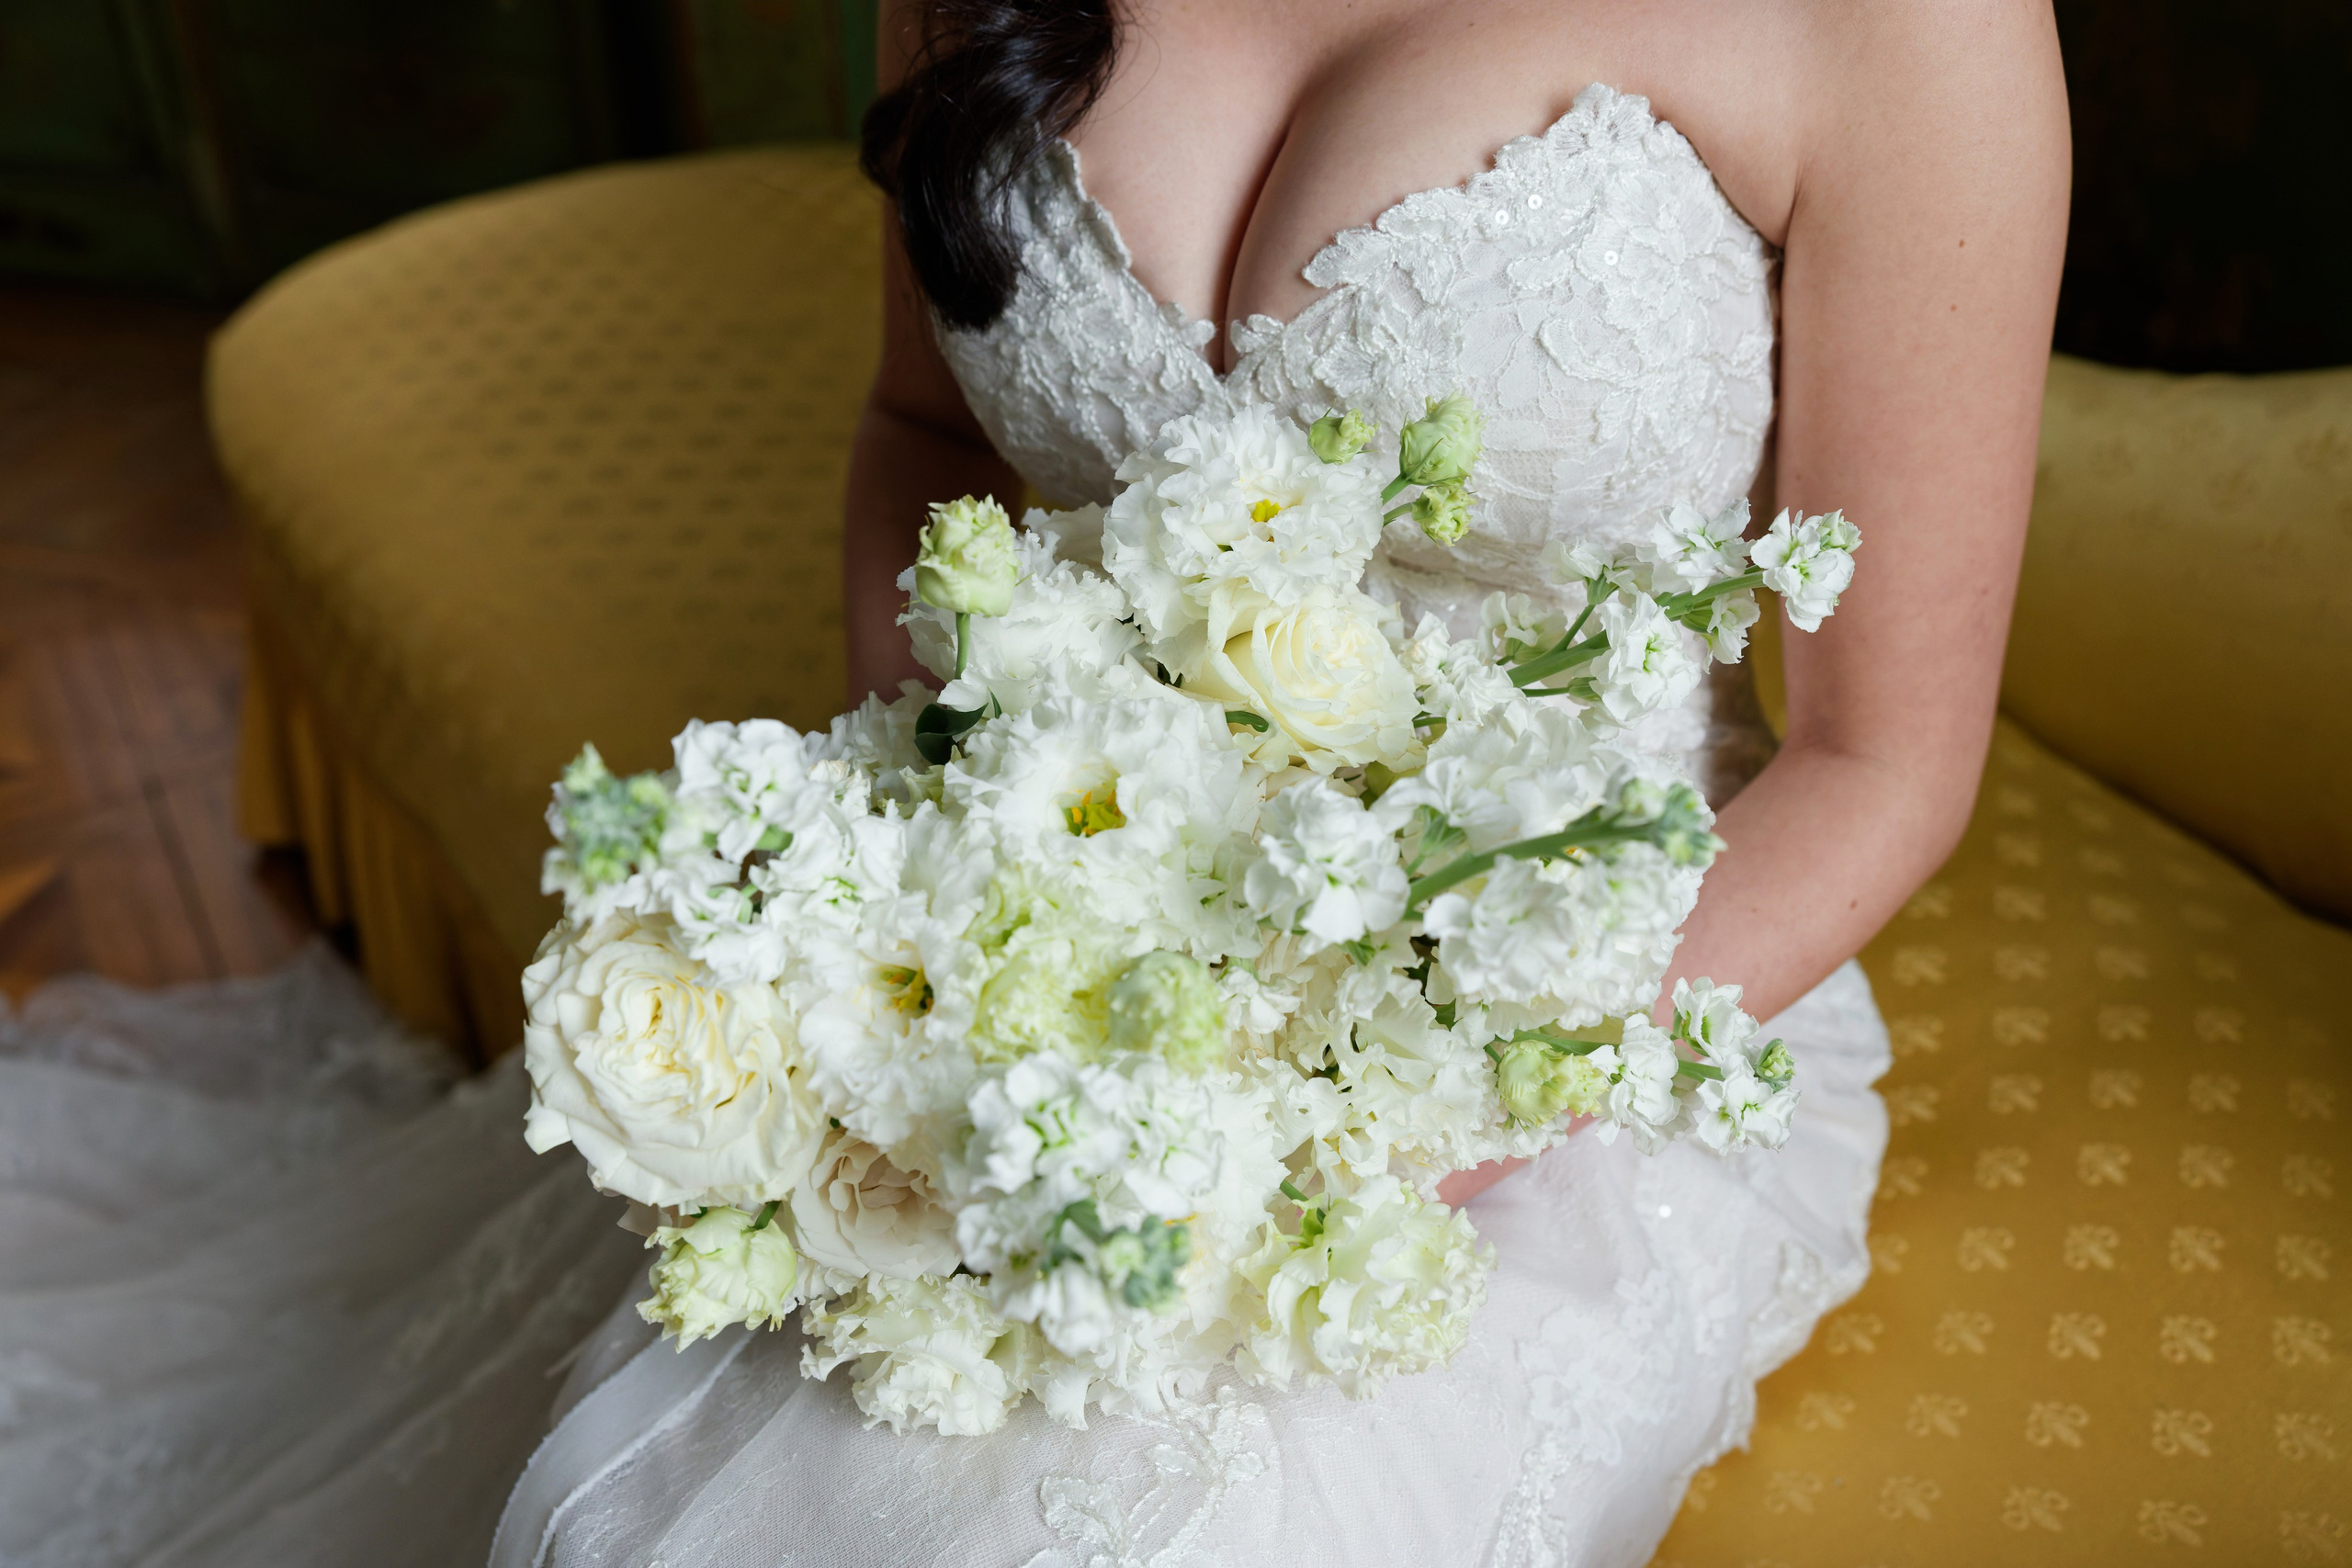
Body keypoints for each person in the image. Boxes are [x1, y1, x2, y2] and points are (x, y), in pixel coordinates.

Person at [0, 3, 2066, 1565]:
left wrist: (1398, 1100)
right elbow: (922, 431)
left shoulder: (1905, 31)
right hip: (1040, 934)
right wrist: (949, 860)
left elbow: (1877, 759)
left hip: (1572, 1017)